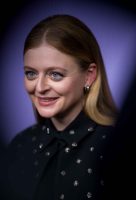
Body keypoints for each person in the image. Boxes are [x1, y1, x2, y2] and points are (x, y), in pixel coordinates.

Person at [4, 14, 117, 200]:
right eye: (31, 73)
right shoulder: (20, 145)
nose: (39, 88)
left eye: (55, 75)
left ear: (89, 76)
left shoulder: (115, 148)